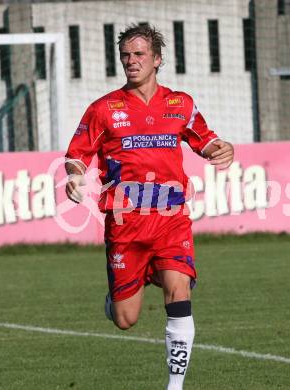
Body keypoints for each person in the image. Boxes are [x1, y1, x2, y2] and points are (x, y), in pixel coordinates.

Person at [65, 24, 234, 390]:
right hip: (125, 224)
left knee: (179, 290)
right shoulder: (104, 109)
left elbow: (207, 141)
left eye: (139, 54)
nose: (131, 61)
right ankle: (124, 292)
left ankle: (175, 387)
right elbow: (77, 156)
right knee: (126, 319)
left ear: (157, 59)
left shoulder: (180, 104)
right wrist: (75, 176)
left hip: (171, 219)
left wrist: (223, 148)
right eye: (126, 55)